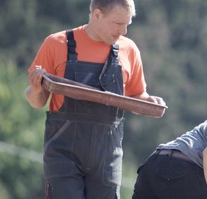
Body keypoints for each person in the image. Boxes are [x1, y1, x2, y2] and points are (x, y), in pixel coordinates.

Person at [24, 0, 166, 198]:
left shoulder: (129, 50)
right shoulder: (56, 44)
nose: (123, 31)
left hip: (107, 158)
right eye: (117, 24)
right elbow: (37, 101)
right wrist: (36, 88)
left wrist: (149, 102)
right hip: (63, 155)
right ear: (97, 15)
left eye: (127, 24)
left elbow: (137, 96)